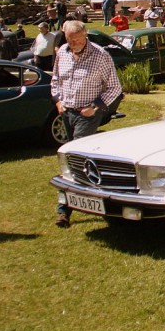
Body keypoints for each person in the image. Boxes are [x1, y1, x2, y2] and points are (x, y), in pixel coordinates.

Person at [51, 20, 123, 228]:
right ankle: (93, 198)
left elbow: (114, 88)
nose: (73, 43)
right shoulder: (62, 53)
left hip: (87, 114)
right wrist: (58, 101)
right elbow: (55, 80)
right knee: (78, 159)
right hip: (67, 112)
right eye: (69, 40)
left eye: (77, 39)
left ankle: (63, 211)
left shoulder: (100, 56)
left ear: (85, 36)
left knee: (73, 157)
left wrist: (95, 107)